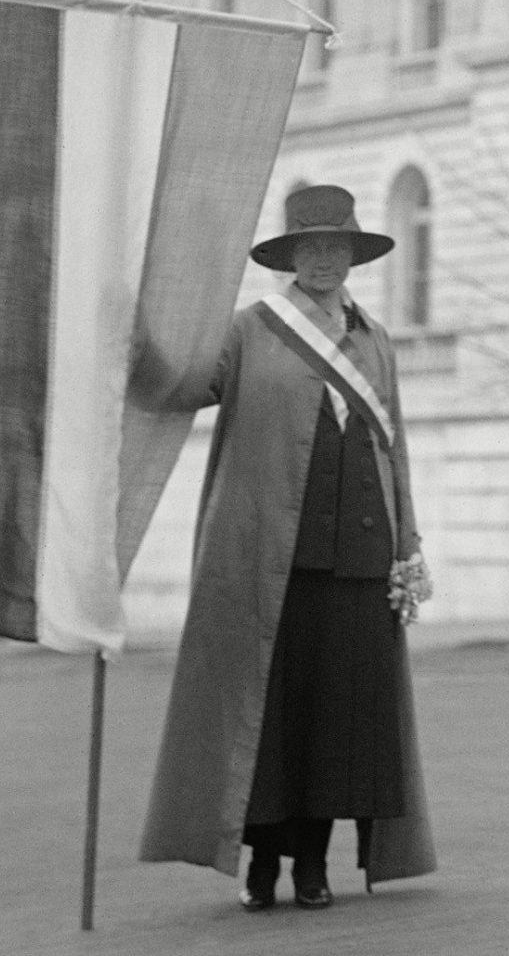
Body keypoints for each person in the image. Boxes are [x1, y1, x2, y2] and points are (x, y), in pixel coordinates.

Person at [141, 185, 435, 909]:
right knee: (271, 723)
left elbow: (394, 448)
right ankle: (263, 865)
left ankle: (313, 865)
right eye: (313, 249)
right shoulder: (249, 331)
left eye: (339, 248)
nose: (327, 261)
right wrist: (137, 324)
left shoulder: (375, 339)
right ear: (291, 258)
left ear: (354, 256)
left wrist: (410, 542)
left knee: (341, 729)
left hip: (362, 562)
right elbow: (182, 383)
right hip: (274, 563)